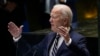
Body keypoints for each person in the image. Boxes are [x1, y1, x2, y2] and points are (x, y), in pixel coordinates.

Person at [8, 4, 90, 56]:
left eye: (54, 17)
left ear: (65, 20)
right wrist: (18, 38)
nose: (50, 20)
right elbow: (32, 53)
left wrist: (68, 41)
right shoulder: (49, 37)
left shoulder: (77, 39)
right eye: (50, 16)